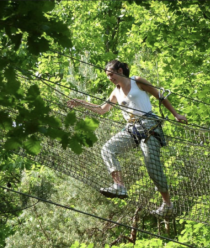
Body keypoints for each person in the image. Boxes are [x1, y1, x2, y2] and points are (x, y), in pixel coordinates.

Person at [67, 60, 187, 216]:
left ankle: (168, 205)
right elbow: (102, 109)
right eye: (107, 76)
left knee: (153, 168)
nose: (110, 78)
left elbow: (160, 96)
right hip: (132, 129)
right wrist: (81, 103)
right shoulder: (115, 92)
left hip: (149, 125)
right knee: (107, 149)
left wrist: (176, 114)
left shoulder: (137, 81)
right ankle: (119, 186)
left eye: (111, 74)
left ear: (120, 71)